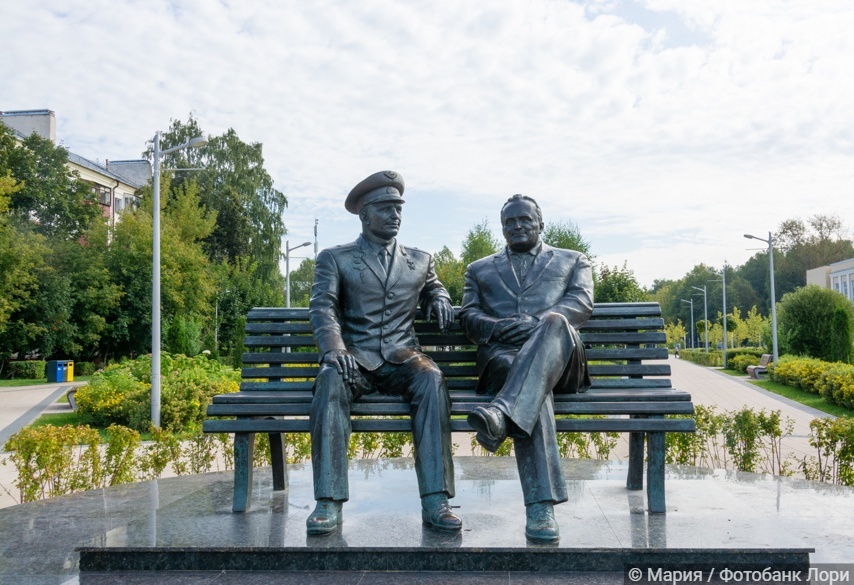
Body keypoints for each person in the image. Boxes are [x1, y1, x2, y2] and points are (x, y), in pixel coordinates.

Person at [307, 170, 461, 535]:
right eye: (386, 208)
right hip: (355, 358)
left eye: (398, 208)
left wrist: (440, 299)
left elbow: (434, 289)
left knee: (432, 379)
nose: (395, 215)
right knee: (330, 382)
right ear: (364, 214)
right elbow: (323, 306)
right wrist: (334, 350)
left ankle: (436, 500)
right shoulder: (336, 258)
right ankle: (328, 501)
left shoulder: (420, 259)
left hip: (403, 357)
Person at [460, 194, 593, 544]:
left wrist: (535, 323)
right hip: (502, 359)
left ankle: (501, 412)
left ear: (540, 223)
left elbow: (580, 303)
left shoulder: (572, 259)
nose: (517, 226)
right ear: (502, 228)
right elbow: (469, 317)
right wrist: (495, 327)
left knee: (555, 319)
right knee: (531, 389)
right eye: (509, 222)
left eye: (524, 219)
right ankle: (540, 507)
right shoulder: (479, 269)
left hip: (562, 358)